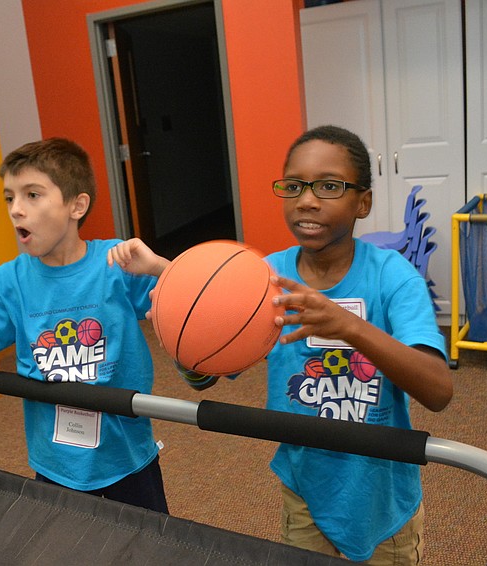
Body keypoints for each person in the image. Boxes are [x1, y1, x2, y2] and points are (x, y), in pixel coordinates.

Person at [109, 124, 453, 564]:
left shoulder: (392, 277)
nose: (307, 199)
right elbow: (203, 377)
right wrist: (181, 328)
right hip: (304, 489)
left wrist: (349, 327)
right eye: (294, 186)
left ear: (363, 202)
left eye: (329, 186)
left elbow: (438, 391)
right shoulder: (262, 275)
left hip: (382, 495)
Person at [0, 137, 170, 513]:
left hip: (127, 456)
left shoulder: (119, 262)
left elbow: (196, 302)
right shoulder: (5, 284)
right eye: (9, 198)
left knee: (151, 546)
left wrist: (159, 267)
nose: (16, 210)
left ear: (76, 205)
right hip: (55, 463)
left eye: (32, 195)